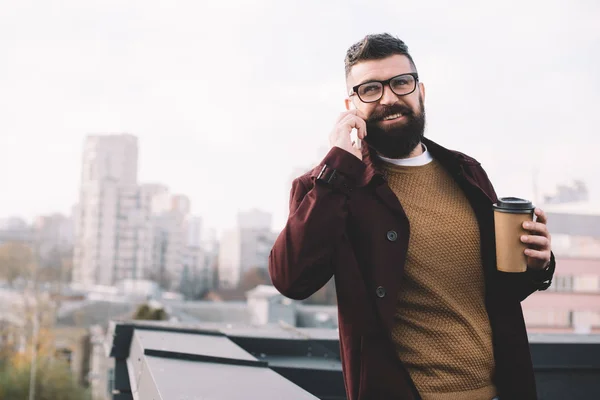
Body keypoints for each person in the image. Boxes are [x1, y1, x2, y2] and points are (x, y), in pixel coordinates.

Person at [268, 33, 556, 400]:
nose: (389, 98)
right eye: (370, 88)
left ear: (421, 90)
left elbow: (499, 292)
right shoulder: (332, 186)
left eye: (401, 83)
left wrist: (539, 264)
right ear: (351, 105)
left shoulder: (466, 172)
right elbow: (292, 279)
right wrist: (339, 162)